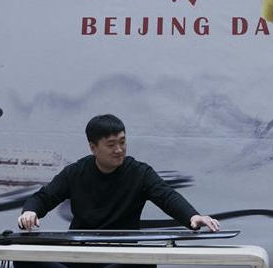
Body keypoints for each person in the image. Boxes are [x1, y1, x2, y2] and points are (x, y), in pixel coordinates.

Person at [14, 114, 220, 268]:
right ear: (93, 147)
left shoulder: (139, 172)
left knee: (144, 262)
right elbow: (45, 196)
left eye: (122, 142)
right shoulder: (76, 172)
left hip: (121, 256)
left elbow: (166, 195)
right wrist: (30, 211)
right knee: (23, 257)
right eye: (111, 145)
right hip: (78, 255)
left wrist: (193, 216)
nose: (119, 149)